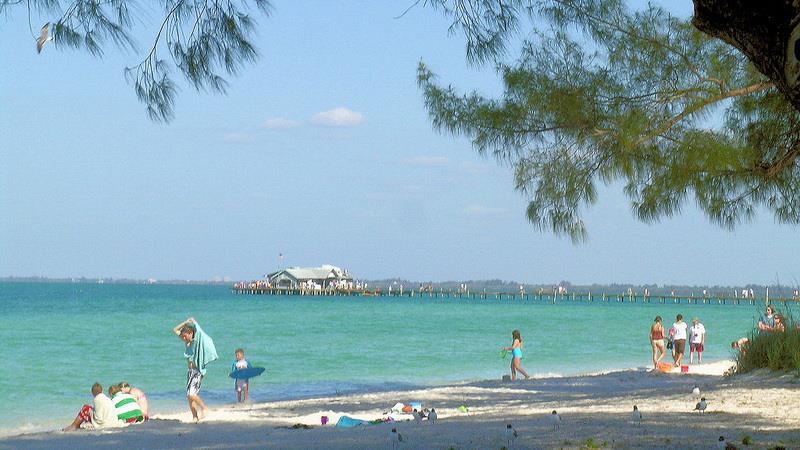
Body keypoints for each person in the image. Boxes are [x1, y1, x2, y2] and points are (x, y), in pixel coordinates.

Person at [173, 317, 218, 422]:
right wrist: (185, 322)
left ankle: (204, 408)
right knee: (189, 397)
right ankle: (195, 417)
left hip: (197, 372)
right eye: (183, 336)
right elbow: (175, 330)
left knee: (191, 394)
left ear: (191, 334)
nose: (183, 338)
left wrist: (195, 323)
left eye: (185, 336)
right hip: (190, 372)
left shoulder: (196, 341)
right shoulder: (186, 342)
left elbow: (201, 333)